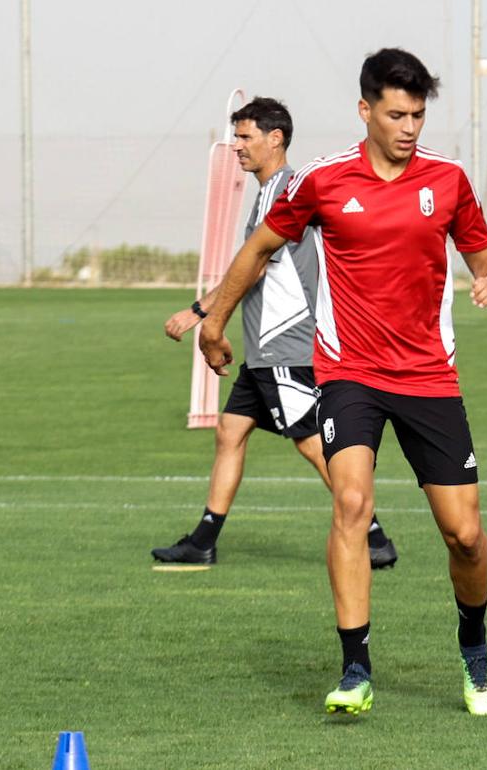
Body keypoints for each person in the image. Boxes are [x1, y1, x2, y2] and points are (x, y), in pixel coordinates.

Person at [196, 51, 487, 716]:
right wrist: (214, 320)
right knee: (349, 502)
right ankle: (355, 668)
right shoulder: (325, 184)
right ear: (365, 110)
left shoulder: (449, 181)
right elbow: (258, 249)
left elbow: (485, 257)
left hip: (429, 375)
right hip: (350, 373)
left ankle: (475, 647)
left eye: (419, 115)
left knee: (464, 534)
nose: (409, 127)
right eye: (396, 114)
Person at [152, 96, 398, 570]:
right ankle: (204, 540)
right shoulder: (270, 190)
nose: (237, 147)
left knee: (311, 441)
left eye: (245, 137)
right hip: (266, 349)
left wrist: (199, 312)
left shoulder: (285, 191)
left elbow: (255, 268)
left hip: (287, 344)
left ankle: (373, 535)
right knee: (230, 431)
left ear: (275, 138)